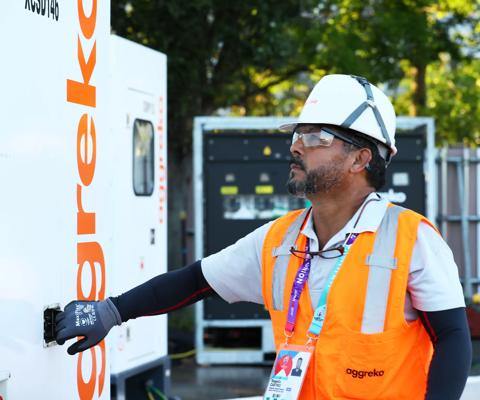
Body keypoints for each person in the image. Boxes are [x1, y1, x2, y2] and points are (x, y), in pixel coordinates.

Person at [56, 74, 472, 399]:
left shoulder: (411, 239)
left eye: (314, 137)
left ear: (361, 158)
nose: (295, 147)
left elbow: (453, 337)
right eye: (296, 135)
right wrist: (112, 311)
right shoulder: (277, 239)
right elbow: (195, 281)